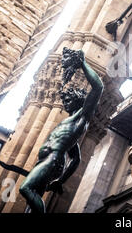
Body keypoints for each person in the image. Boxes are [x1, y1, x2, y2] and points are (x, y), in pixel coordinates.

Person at [18, 48, 103, 213]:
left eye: (69, 98)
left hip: (53, 160)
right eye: (65, 99)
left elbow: (98, 87)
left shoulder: (82, 116)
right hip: (47, 161)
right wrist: (61, 180)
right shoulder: (69, 124)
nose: (66, 101)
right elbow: (76, 158)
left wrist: (82, 63)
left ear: (79, 100)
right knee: (32, 199)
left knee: (25, 188)